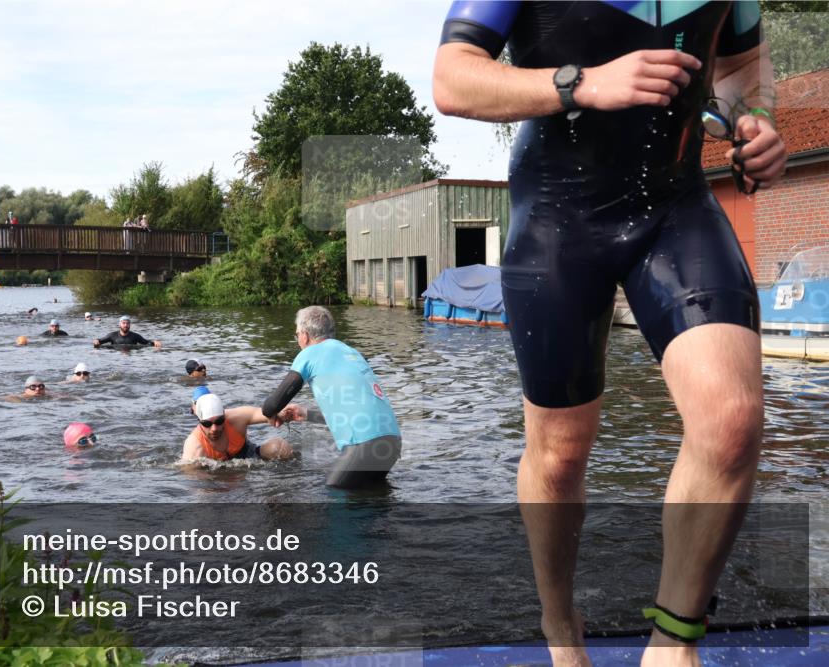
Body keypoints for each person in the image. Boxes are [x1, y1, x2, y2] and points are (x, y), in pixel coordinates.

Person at [432, 3, 786, 666]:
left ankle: (673, 642)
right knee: (561, 452)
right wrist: (579, 83)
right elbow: (453, 79)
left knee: (731, 419)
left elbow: (741, 67)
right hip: (557, 219)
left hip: (674, 206)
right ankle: (561, 623)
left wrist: (753, 120)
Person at [262, 306, 402, 488]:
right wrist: (306, 414)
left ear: (304, 335)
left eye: (297, 335)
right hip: (392, 441)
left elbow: (270, 406)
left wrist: (271, 414)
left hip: (365, 444)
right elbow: (354, 412)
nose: (298, 341)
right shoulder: (350, 352)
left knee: (335, 496)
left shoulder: (308, 354)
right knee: (371, 500)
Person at [181, 393, 292, 463]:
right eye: (207, 424)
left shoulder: (236, 418)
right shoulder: (194, 446)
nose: (214, 428)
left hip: (248, 453)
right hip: (218, 473)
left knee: (279, 448)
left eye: (219, 421)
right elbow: (192, 480)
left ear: (224, 415)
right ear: (199, 421)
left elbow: (265, 413)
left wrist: (283, 413)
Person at [93, 315, 161, 348]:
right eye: (124, 323)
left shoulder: (135, 336)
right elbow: (100, 341)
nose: (126, 325)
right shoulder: (112, 335)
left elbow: (146, 342)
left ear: (130, 324)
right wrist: (96, 341)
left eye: (127, 323)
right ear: (119, 324)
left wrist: (154, 342)